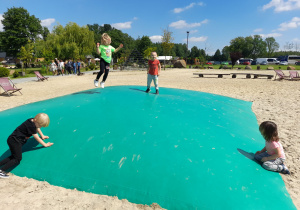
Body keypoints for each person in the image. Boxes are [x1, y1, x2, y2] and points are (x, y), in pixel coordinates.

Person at [0, 113, 53, 178]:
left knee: (14, 156)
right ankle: (1, 171)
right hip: (15, 141)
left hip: (12, 139)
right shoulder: (31, 126)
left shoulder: (32, 120)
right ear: (36, 120)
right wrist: (45, 144)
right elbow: (36, 137)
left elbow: (37, 128)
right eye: (40, 125)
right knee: (17, 159)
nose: (40, 127)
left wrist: (42, 136)